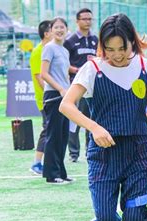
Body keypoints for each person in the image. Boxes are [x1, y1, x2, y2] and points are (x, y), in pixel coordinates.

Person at [60, 13, 147, 221]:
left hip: (139, 153)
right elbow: (67, 105)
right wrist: (94, 127)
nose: (116, 55)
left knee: (135, 216)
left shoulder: (144, 65)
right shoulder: (92, 69)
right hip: (103, 155)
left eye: (122, 48)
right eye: (110, 48)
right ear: (102, 45)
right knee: (105, 218)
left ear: (132, 43)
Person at [63, 8, 98, 163]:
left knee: (90, 119)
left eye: (90, 19)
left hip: (93, 87)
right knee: (75, 121)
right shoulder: (69, 41)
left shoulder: (96, 40)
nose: (87, 22)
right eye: (84, 19)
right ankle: (73, 153)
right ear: (77, 21)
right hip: (76, 86)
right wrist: (78, 70)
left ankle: (89, 150)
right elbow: (64, 63)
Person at [40, 17, 71, 184]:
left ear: (67, 30)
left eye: (62, 27)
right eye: (56, 27)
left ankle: (61, 172)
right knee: (53, 135)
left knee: (63, 135)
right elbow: (44, 73)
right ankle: (51, 175)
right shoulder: (49, 48)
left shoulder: (64, 51)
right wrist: (60, 88)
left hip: (65, 97)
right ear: (50, 31)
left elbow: (65, 74)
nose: (59, 30)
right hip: (53, 96)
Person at [29, 20, 52, 175]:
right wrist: (52, 93)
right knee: (47, 130)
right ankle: (37, 163)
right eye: (54, 29)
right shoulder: (39, 52)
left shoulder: (50, 50)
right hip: (45, 100)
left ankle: (48, 162)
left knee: (52, 131)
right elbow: (39, 77)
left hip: (51, 98)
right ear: (46, 33)